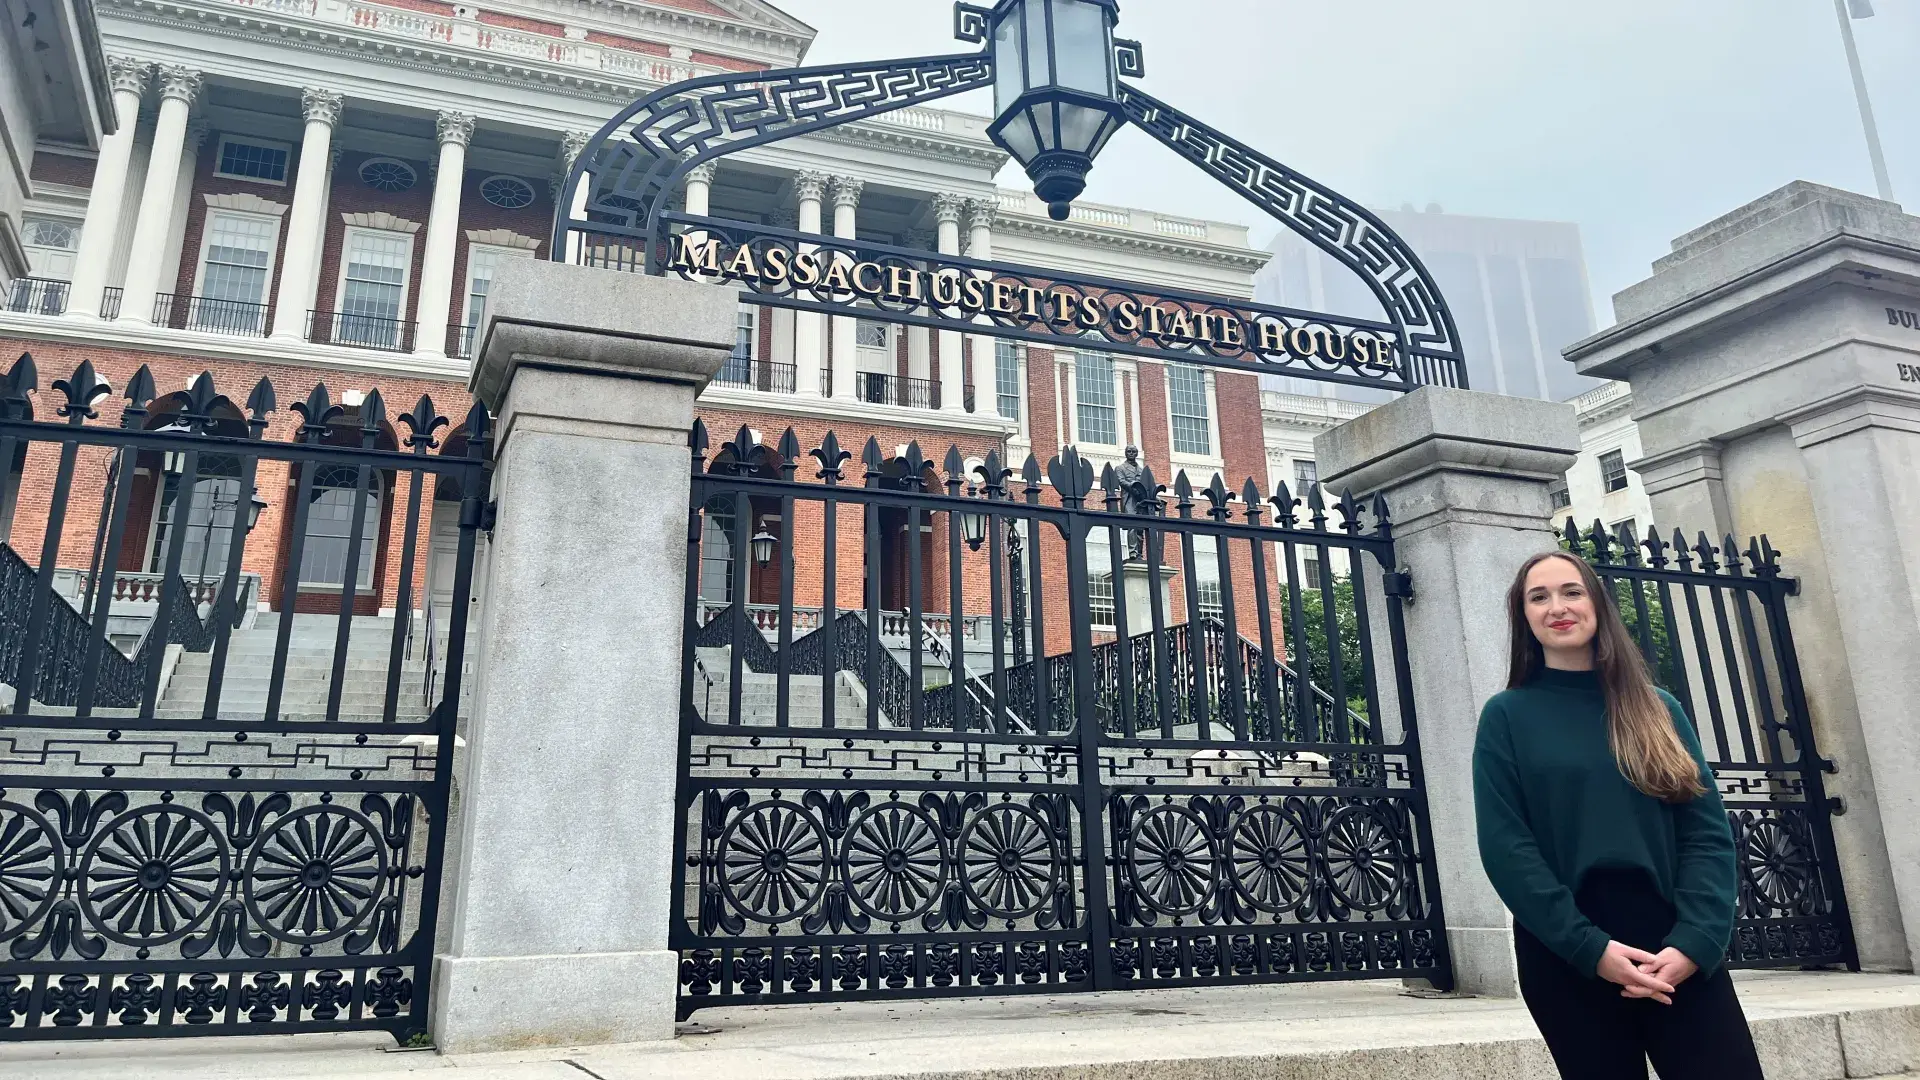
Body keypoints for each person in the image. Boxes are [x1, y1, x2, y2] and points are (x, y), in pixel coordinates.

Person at [1473, 550, 1761, 1079]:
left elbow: (1706, 836)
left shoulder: (1658, 708)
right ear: (1525, 618)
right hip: (1567, 948)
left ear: (1598, 605)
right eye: (1539, 597)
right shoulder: (1506, 716)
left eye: (1571, 592)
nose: (1557, 606)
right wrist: (1590, 948)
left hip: (1673, 937)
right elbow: (1507, 848)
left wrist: (1696, 941)